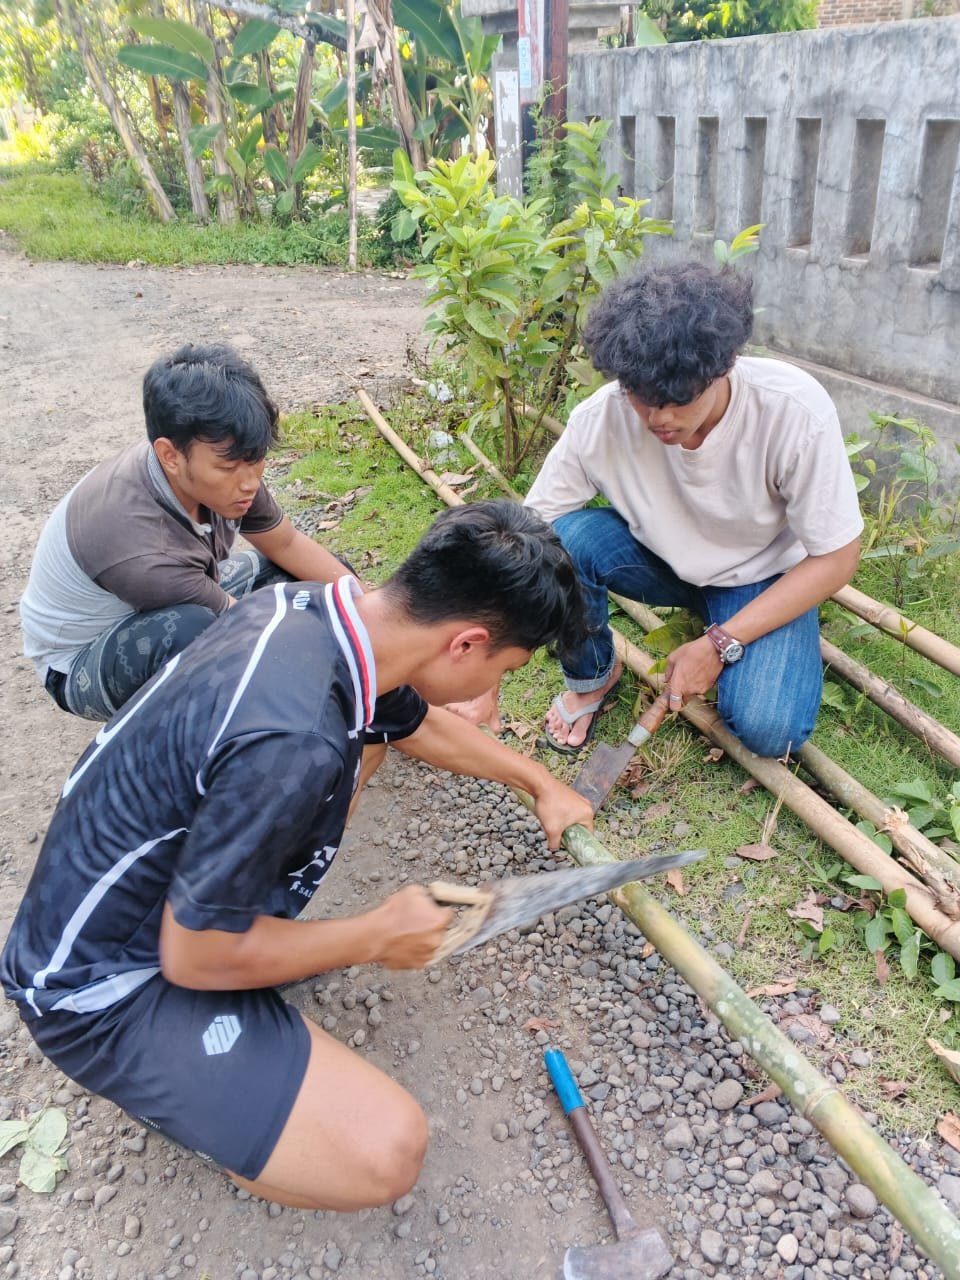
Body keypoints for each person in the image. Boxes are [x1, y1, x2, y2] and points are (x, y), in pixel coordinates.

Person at [1, 500, 594, 1212]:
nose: (493, 688)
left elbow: (412, 722)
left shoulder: (307, 609)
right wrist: (373, 936)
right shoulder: (295, 743)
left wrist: (540, 783)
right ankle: (202, 1104)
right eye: (509, 666)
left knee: (367, 737)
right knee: (387, 1151)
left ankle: (243, 1013)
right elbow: (192, 959)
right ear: (465, 644)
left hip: (142, 907)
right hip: (100, 989)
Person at [452, 260, 863, 759]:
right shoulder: (600, 420)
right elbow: (527, 536)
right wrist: (484, 672)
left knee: (771, 732)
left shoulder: (792, 412)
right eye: (640, 397)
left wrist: (719, 645)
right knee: (565, 539)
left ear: (727, 363)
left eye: (678, 398)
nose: (659, 418)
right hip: (661, 561)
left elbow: (837, 558)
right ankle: (592, 679)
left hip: (761, 575)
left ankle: (760, 623)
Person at [20, 343, 353, 721]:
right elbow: (245, 634)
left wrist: (374, 612)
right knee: (194, 633)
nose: (249, 483)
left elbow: (287, 543)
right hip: (81, 661)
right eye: (229, 468)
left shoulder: (221, 470)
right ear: (170, 456)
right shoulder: (142, 551)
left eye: (255, 460)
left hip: (184, 591)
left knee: (325, 586)